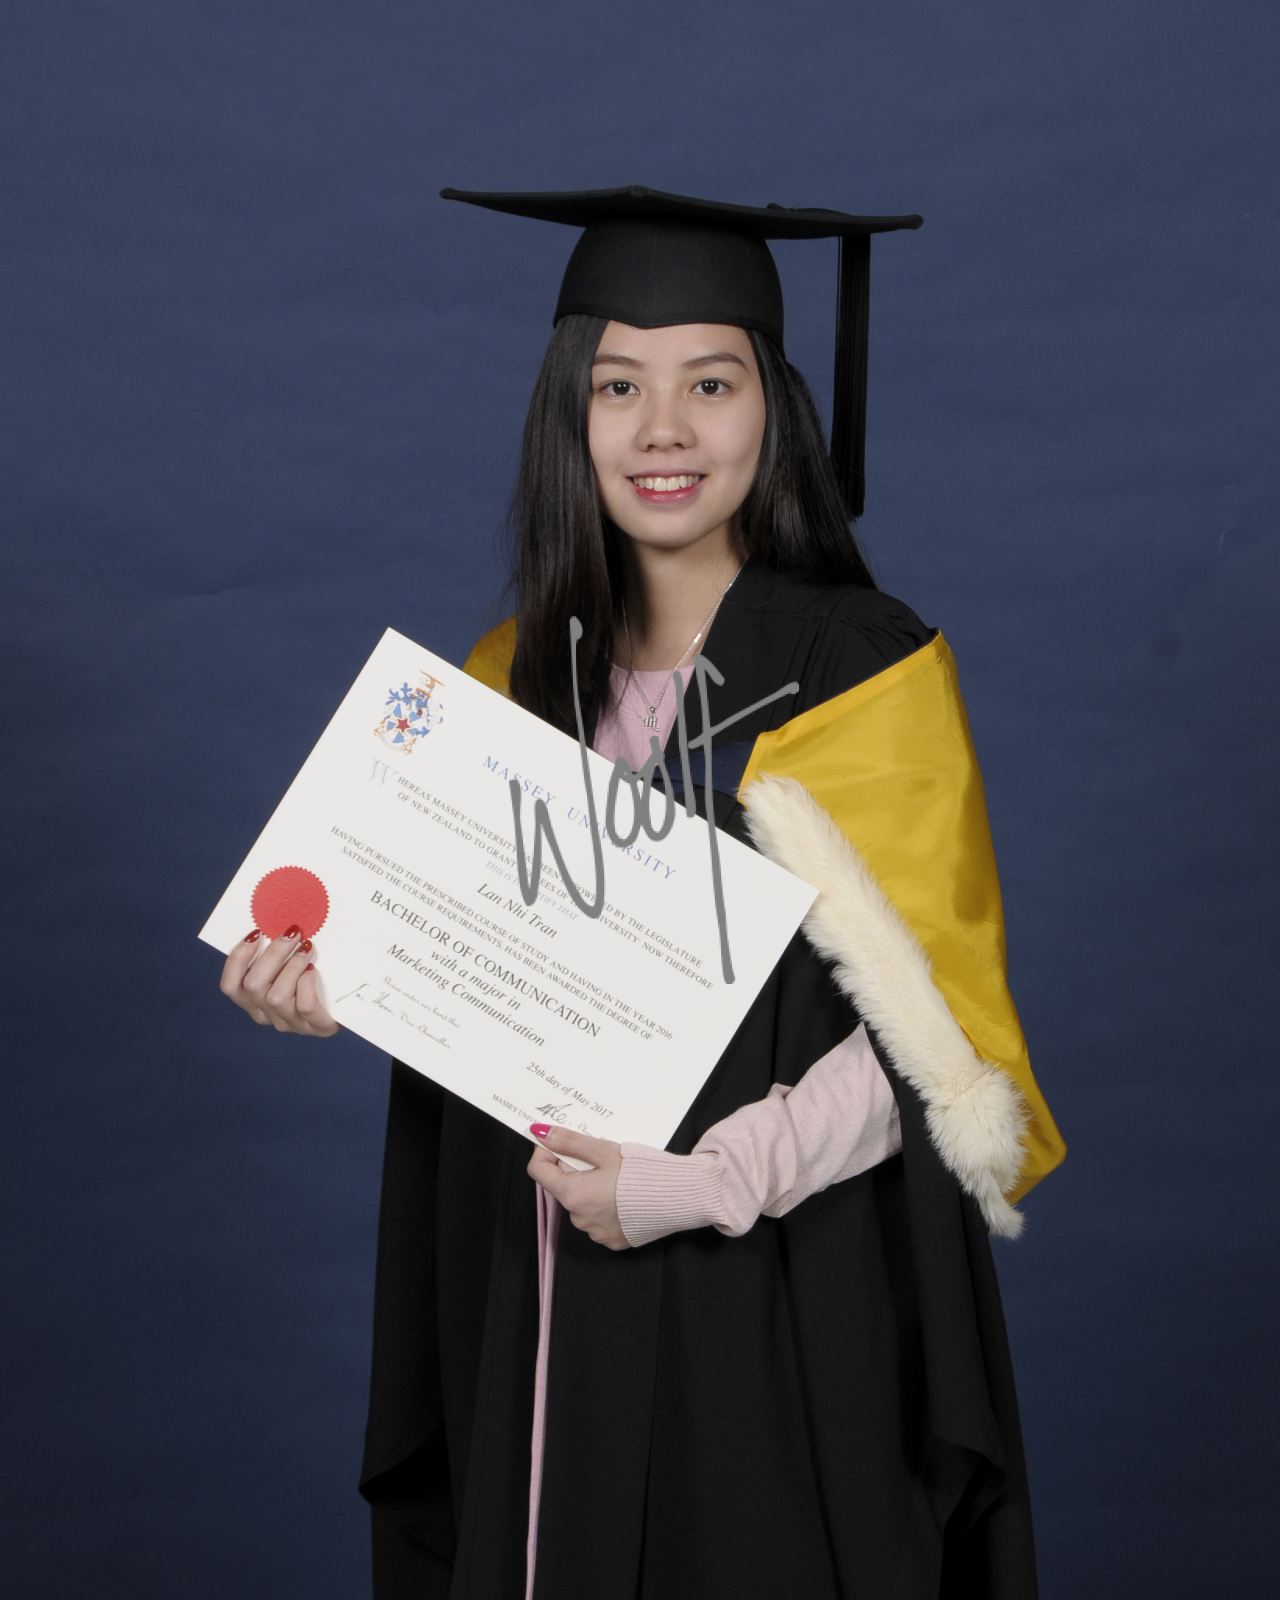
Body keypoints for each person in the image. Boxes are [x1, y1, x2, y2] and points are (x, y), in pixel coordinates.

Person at [220, 186, 1066, 1599]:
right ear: (570, 414)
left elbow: (940, 1046)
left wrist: (707, 1182)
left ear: (775, 413)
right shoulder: (511, 679)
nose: (663, 430)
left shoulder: (859, 668)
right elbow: (477, 979)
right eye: (619, 386)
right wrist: (333, 982)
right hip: (545, 1288)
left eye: (709, 385)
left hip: (773, 1293)